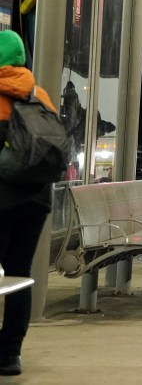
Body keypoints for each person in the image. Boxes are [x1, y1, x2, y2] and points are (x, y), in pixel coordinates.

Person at [0, 29, 60, 377]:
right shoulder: (40, 95)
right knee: (20, 274)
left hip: (3, 197)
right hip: (36, 199)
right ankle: (10, 354)